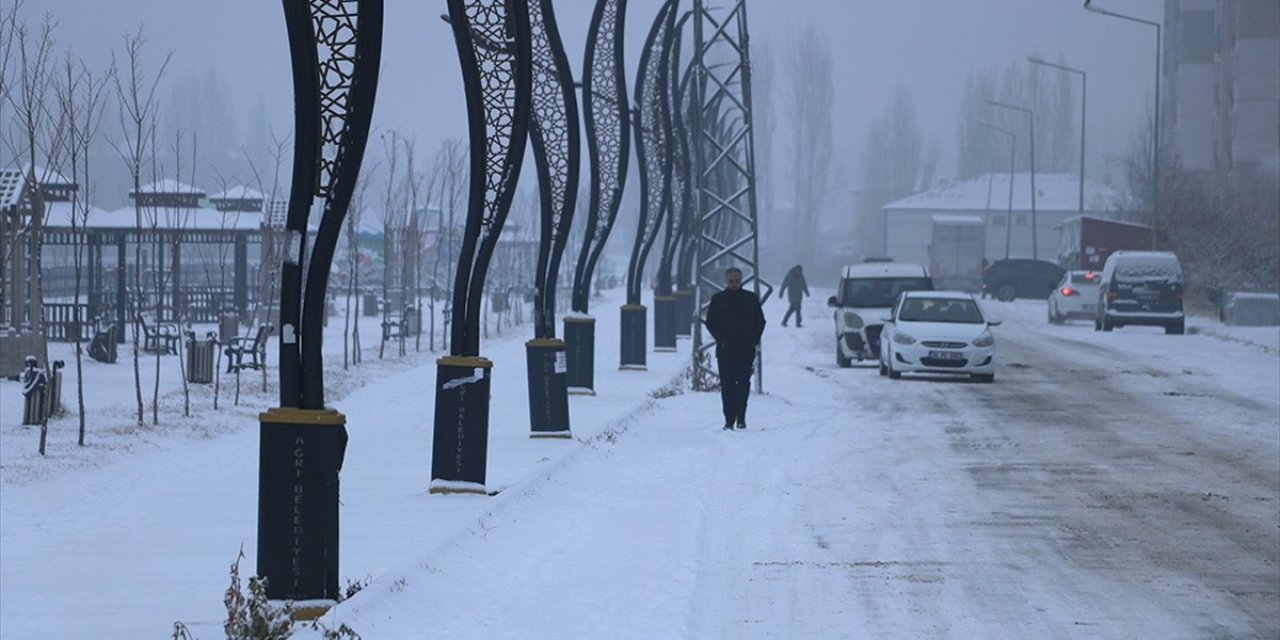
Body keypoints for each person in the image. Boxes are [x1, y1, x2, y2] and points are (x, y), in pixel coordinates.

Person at [704, 267, 766, 430]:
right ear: (726, 281)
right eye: (731, 281)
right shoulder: (718, 300)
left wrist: (753, 340)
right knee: (727, 385)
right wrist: (721, 338)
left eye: (737, 281)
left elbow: (760, 322)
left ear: (741, 280)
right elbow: (710, 322)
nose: (734, 284)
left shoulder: (750, 299)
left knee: (743, 384)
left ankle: (741, 417)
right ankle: (729, 419)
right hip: (725, 351)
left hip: (745, 350)